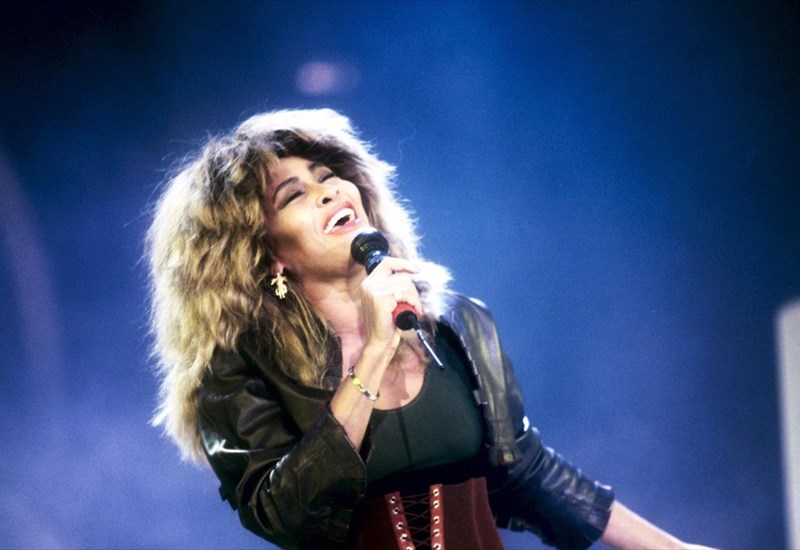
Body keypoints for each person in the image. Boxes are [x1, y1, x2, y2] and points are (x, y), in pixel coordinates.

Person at [147, 108, 712, 549]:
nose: (329, 191)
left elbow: (528, 473)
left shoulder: (459, 325)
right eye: (294, 195)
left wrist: (675, 547)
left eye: (329, 176)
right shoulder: (239, 368)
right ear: (270, 256)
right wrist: (373, 354)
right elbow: (287, 516)